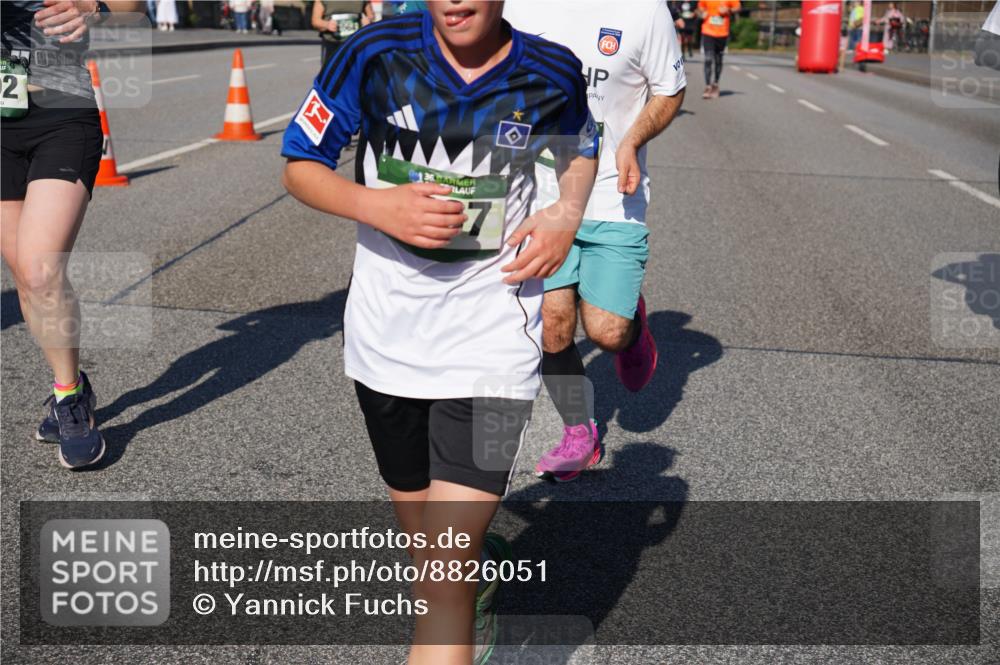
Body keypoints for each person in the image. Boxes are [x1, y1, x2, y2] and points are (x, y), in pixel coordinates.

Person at [281, 1, 597, 662]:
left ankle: (462, 595)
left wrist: (565, 216)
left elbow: (579, 151)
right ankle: (473, 592)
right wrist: (376, 204)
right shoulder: (373, 54)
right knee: (428, 554)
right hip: (385, 344)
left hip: (492, 344)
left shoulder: (551, 70)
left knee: (442, 570)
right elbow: (300, 163)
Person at [505, 0, 685, 482]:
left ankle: (631, 327)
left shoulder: (645, 10)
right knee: (553, 329)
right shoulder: (517, 7)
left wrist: (632, 139)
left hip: (613, 195)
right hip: (542, 195)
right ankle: (579, 434)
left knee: (605, 331)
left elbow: (670, 91)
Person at [2, 0, 141, 470]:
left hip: (62, 112)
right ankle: (73, 384)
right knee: (24, 273)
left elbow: (131, 6)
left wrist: (93, 6)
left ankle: (69, 398)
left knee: (42, 270)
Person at [698, 0, 739, 99]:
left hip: (722, 34)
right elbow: (700, 8)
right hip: (708, 32)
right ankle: (708, 86)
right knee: (708, 59)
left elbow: (737, 7)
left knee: (718, 59)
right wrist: (701, 14)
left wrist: (728, 9)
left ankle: (715, 84)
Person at [311, 0, 372, 67]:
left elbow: (370, 16)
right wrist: (327, 24)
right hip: (332, 43)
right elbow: (315, 21)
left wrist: (367, 21)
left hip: (355, 43)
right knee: (331, 73)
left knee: (356, 74)